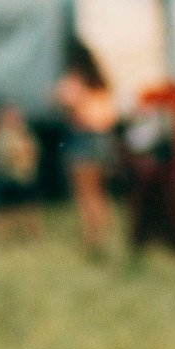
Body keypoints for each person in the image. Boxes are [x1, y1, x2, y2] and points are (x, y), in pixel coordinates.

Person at [55, 44, 119, 258]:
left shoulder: (76, 79)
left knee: (85, 192)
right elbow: (111, 115)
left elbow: (64, 99)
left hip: (83, 137)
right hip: (104, 139)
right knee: (99, 191)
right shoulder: (102, 82)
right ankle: (103, 234)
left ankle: (92, 239)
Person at [0, 104, 41, 242]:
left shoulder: (24, 135)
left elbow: (33, 153)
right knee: (6, 213)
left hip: (24, 179)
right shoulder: (1, 138)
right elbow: (2, 159)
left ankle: (32, 238)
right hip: (9, 180)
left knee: (28, 211)